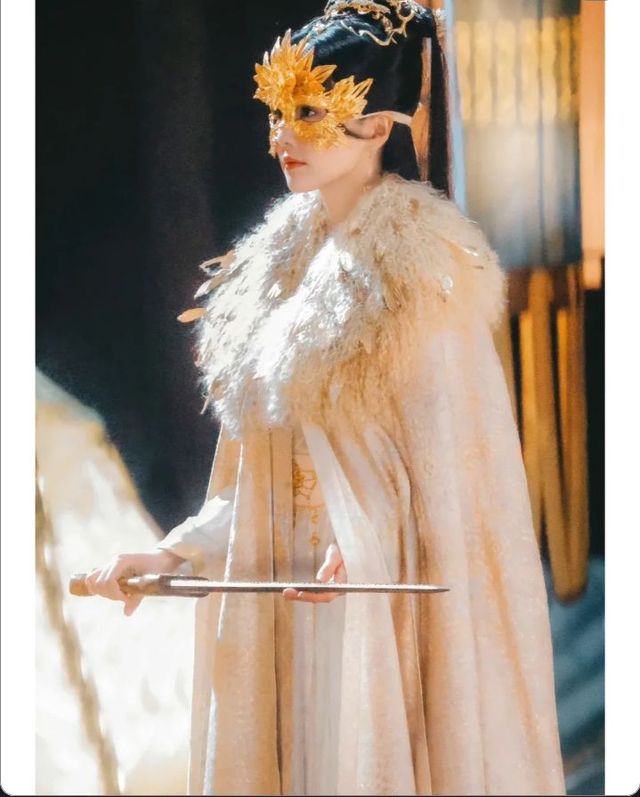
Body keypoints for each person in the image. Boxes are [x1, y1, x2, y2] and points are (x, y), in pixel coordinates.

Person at [84, 2, 566, 794]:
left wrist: (371, 536)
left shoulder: (422, 276)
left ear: (376, 126)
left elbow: (458, 489)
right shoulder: (275, 273)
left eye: (309, 112)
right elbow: (263, 485)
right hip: (292, 604)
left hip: (381, 616)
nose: (283, 136)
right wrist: (175, 552)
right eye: (278, 113)